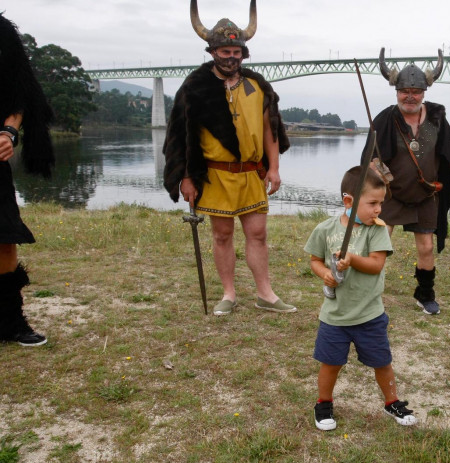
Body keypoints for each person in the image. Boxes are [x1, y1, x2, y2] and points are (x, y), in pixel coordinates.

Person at [164, 0, 295, 315]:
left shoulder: (257, 86)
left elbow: (270, 130)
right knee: (222, 234)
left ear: (243, 54)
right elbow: (181, 136)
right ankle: (229, 294)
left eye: (237, 53)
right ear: (212, 52)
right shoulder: (195, 87)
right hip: (215, 174)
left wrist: (274, 168)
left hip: (251, 173)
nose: (231, 58)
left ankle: (265, 294)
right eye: (225, 52)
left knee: (258, 233)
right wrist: (185, 177)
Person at [304, 166, 417, 431]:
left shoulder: (376, 230)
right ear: (348, 202)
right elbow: (315, 260)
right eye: (372, 203)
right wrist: (325, 275)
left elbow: (376, 264)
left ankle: (392, 402)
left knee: (382, 362)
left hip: (370, 314)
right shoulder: (325, 229)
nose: (379, 210)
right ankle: (323, 403)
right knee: (330, 363)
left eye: (381, 203)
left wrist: (352, 260)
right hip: (335, 316)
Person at [366, 48, 450, 316]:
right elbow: (370, 158)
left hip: (426, 194)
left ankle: (425, 295)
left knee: (426, 247)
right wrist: (379, 178)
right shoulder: (386, 118)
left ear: (425, 92)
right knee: (379, 245)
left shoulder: (437, 120)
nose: (410, 96)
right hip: (391, 194)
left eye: (416, 91)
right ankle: (367, 294)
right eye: (405, 90)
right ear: (397, 91)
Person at [0, 13, 55, 347]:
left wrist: (9, 131)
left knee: (4, 238)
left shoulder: (2, 33)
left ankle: (11, 321)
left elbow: (21, 94)